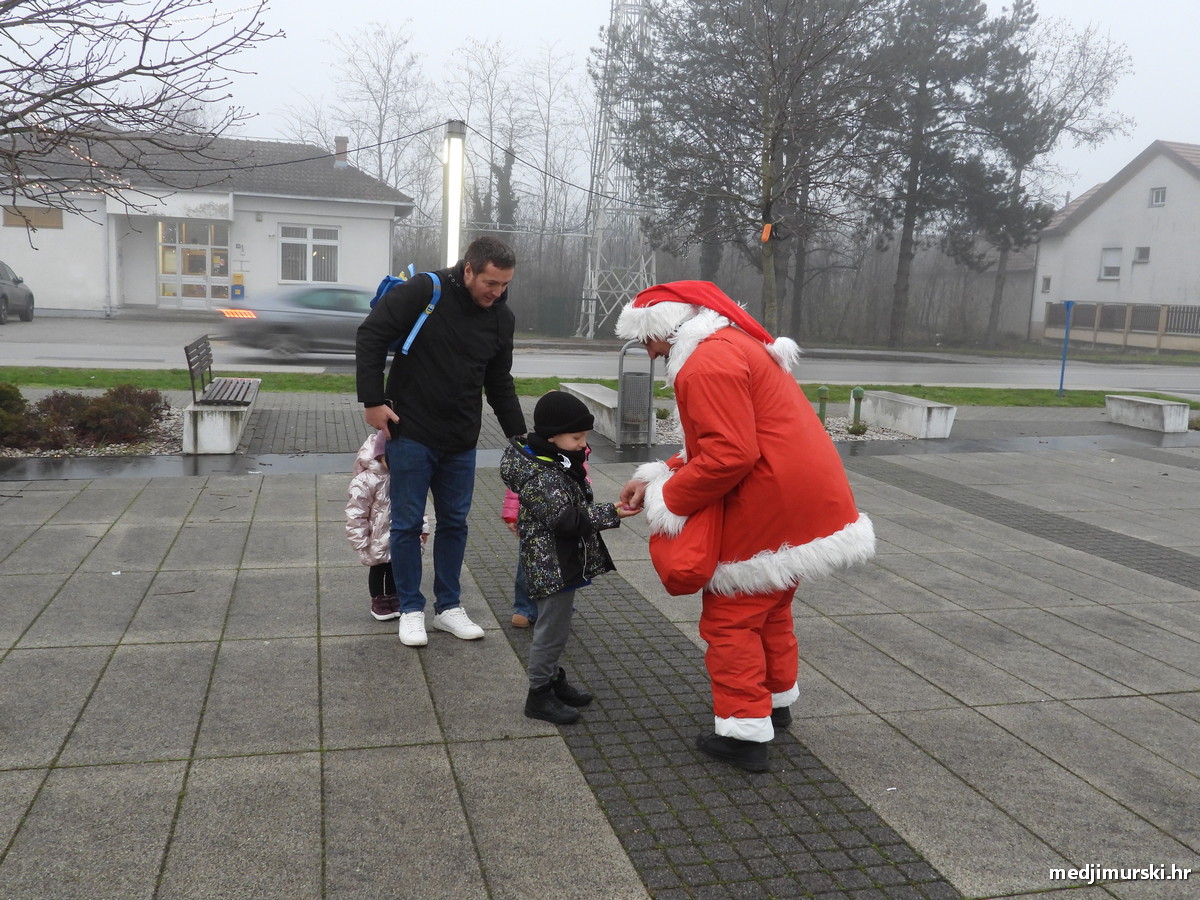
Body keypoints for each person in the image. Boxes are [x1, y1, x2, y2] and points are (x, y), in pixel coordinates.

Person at [615, 281, 876, 772]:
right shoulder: (731, 344)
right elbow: (724, 442)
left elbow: (729, 456)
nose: (647, 354)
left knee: (731, 618)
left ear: (664, 328)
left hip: (768, 496)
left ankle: (744, 733)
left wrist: (666, 498)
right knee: (772, 606)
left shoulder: (704, 364)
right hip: (805, 496)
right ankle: (776, 705)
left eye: (644, 339)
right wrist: (656, 475)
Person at [356, 235, 527, 647]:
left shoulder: (501, 318)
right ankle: (411, 609)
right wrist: (372, 401)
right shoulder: (425, 291)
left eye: (505, 285)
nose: (497, 293)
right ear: (469, 269)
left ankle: (448, 607)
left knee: (455, 524)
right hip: (411, 431)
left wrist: (520, 434)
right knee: (407, 524)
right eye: (491, 283)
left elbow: (498, 380)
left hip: (461, 439)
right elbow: (371, 335)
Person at [500, 391, 639, 724]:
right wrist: (611, 513)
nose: (582, 444)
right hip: (552, 565)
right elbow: (564, 520)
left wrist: (606, 509)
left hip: (558, 560)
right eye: (577, 437)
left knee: (558, 628)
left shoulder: (554, 461)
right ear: (552, 437)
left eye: (585, 437)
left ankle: (551, 678)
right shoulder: (542, 474)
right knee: (551, 631)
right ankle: (539, 695)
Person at [344, 430, 428, 621]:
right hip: (375, 535)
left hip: (400, 532)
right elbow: (356, 512)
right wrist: (360, 539)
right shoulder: (365, 480)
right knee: (377, 568)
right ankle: (378, 599)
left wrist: (422, 527)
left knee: (395, 566)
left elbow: (417, 504)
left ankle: (393, 595)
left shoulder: (402, 475)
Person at [501, 491, 539, 628]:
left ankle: (559, 607)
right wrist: (512, 514)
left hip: (564, 512)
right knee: (528, 560)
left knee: (563, 561)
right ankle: (525, 607)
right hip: (531, 515)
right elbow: (515, 483)